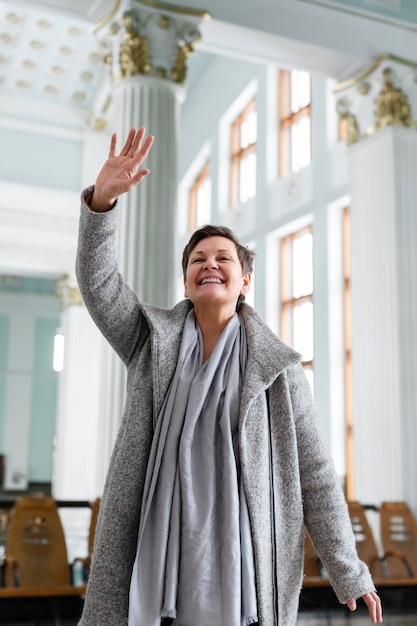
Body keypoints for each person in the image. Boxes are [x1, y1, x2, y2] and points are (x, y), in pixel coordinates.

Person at [75, 127, 383, 626]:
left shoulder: (279, 370)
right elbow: (99, 284)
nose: (209, 264)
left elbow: (317, 476)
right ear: (187, 280)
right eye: (198, 259)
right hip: (153, 557)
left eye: (224, 258)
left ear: (244, 281)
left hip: (245, 564)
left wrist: (349, 570)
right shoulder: (150, 339)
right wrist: (102, 204)